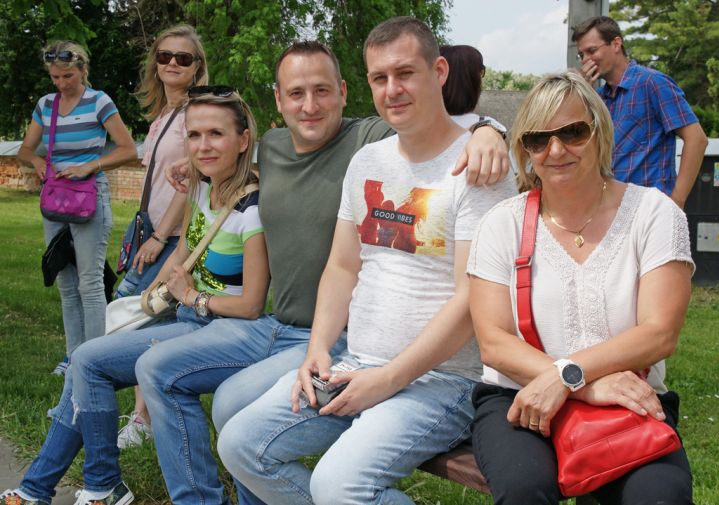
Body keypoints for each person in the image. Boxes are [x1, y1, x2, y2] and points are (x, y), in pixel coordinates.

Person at [146, 38, 511, 504]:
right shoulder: (364, 161)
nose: (392, 89)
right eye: (380, 78)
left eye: (405, 73)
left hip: (440, 379)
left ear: (439, 72)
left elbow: (472, 297)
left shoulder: (474, 167)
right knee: (240, 446)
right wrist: (318, 350)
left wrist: (488, 128)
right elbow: (341, 266)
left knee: (336, 486)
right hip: (352, 360)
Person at [1, 88, 267, 505]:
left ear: (243, 139)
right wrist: (151, 297)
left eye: (216, 134)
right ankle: (59, 487)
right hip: (186, 318)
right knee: (86, 360)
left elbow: (251, 305)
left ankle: (94, 485)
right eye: (194, 135)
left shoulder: (251, 209)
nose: (203, 145)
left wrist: (191, 297)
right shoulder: (200, 189)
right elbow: (183, 252)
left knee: (90, 362)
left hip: (225, 329)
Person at [466, 70, 695, 504]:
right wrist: (584, 384)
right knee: (524, 488)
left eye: (572, 132)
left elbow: (659, 333)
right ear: (525, 149)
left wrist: (566, 376)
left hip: (628, 396)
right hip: (520, 392)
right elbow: (493, 342)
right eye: (538, 139)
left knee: (658, 496)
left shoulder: (654, 214)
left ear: (599, 132)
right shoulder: (501, 223)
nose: (555, 150)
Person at [115, 23, 209, 450]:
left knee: (136, 318)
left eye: (183, 58)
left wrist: (161, 236)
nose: (172, 63)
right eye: (165, 56)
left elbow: (189, 187)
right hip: (150, 231)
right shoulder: (161, 117)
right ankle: (144, 415)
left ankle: (141, 416)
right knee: (148, 322)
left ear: (197, 67)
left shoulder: (195, 115)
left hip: (171, 238)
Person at [17, 40, 137, 375]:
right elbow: (25, 150)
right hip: (55, 200)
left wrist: (90, 166)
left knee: (90, 282)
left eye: (67, 76)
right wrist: (37, 161)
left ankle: (94, 361)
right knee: (66, 283)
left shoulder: (99, 102)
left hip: (89, 198)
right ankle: (73, 356)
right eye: (55, 77)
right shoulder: (46, 105)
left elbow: (128, 150)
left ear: (82, 70)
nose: (61, 83)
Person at [573, 16, 708, 208]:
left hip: (650, 207)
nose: (586, 60)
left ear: (616, 44)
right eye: (582, 55)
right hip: (609, 209)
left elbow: (697, 139)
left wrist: (677, 201)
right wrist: (581, 92)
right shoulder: (598, 98)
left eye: (592, 51)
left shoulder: (653, 83)